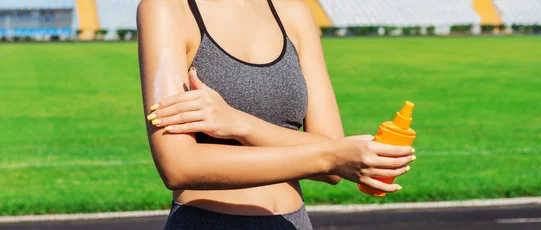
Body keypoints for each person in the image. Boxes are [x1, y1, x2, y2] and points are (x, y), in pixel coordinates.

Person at [137, 0, 415, 229]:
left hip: (294, 223)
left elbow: (331, 152)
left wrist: (241, 124)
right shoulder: (168, 9)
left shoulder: (294, 11)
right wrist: (330, 156)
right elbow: (179, 165)